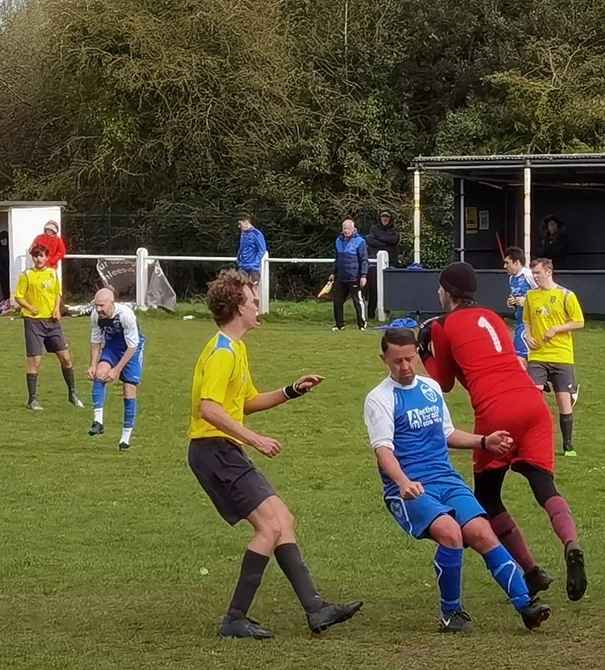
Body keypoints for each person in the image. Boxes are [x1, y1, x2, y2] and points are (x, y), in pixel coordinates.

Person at [188, 269, 362, 639]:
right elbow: (210, 409)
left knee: (283, 519)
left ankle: (316, 610)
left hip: (220, 449)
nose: (257, 306)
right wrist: (254, 440)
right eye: (252, 300)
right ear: (237, 306)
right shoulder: (221, 352)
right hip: (214, 450)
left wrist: (291, 390)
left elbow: (245, 402)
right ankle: (235, 618)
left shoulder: (236, 348)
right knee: (269, 527)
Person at [417, 262, 587, 603]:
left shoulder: (443, 326)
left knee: (488, 498)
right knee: (544, 485)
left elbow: (443, 384)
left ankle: (531, 570)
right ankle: (571, 542)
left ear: (448, 292)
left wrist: (425, 350)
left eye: (440, 288)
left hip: (497, 410)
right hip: (533, 402)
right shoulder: (493, 316)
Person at [364, 328, 550, 633]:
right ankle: (451, 614)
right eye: (397, 361)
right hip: (409, 488)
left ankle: (525, 604)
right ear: (384, 359)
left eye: (410, 359)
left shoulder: (430, 389)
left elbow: (447, 433)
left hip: (446, 479)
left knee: (482, 531)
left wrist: (484, 441)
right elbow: (383, 451)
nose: (406, 367)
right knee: (451, 533)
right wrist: (402, 482)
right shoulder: (379, 399)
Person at [523, 258, 584, 457]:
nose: (535, 277)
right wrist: (528, 336)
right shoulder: (531, 296)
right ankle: (533, 442)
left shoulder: (566, 295)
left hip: (561, 355)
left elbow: (579, 322)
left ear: (549, 272)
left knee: (563, 402)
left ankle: (568, 446)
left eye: (538, 273)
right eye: (533, 274)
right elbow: (527, 321)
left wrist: (557, 329)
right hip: (538, 355)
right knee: (533, 396)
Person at [14, 244, 83, 411]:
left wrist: (57, 309)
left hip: (52, 322)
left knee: (65, 358)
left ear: (47, 257)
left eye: (42, 256)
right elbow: (18, 297)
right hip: (33, 322)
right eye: (36, 256)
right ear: (33, 258)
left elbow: (57, 294)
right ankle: (32, 400)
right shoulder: (26, 275)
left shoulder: (52, 273)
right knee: (35, 360)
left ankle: (72, 394)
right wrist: (30, 308)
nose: (38, 259)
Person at [87, 288, 145, 451]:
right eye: (96, 305)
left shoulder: (126, 315)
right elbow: (96, 340)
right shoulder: (96, 316)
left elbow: (132, 345)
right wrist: (92, 364)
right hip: (112, 347)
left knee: (129, 389)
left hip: (132, 349)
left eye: (102, 306)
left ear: (112, 303)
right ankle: (98, 422)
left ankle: (125, 437)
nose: (98, 309)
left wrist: (117, 369)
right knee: (99, 373)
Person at [329, 218, 368, 331]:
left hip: (354, 276)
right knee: (337, 301)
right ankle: (339, 324)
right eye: (344, 228)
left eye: (348, 228)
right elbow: (337, 259)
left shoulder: (360, 241)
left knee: (357, 301)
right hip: (341, 276)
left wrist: (363, 275)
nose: (346, 231)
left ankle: (362, 324)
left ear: (353, 229)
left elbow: (364, 260)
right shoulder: (338, 240)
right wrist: (333, 273)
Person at [503, 246, 536, 365]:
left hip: (530, 322)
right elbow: (516, 296)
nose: (504, 266)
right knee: (528, 356)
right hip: (519, 320)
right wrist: (511, 302)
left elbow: (542, 294)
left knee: (520, 357)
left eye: (507, 263)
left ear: (516, 262)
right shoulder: (511, 278)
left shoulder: (529, 275)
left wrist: (526, 301)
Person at [366, 210, 400, 320]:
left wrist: (379, 239)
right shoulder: (374, 228)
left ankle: (386, 311)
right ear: (379, 218)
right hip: (375, 264)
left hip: (390, 264)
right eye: (383, 216)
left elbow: (394, 240)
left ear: (390, 218)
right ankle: (371, 313)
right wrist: (386, 242)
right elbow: (370, 241)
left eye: (387, 216)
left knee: (388, 289)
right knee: (373, 288)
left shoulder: (394, 230)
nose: (385, 218)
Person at [236, 214, 267, 284]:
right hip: (243, 267)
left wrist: (255, 264)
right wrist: (238, 258)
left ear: (246, 222)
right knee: (242, 290)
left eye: (240, 224)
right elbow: (241, 248)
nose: (239, 226)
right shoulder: (243, 234)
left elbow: (262, 250)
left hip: (253, 269)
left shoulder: (257, 234)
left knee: (253, 290)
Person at [0, 230, 9, 301]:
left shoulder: (9, 248)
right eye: (2, 239)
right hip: (2, 272)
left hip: (8, 271)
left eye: (5, 239)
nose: (3, 241)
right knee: (4, 286)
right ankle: (5, 299)